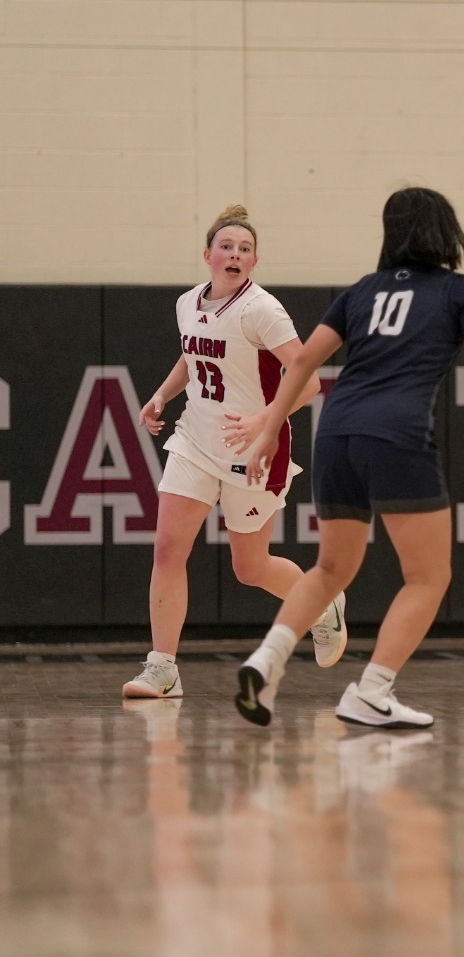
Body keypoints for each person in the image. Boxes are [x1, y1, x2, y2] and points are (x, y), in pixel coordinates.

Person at [226, 188, 464, 729]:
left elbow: (305, 359)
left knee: (331, 568)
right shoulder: (459, 292)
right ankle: (371, 690)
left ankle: (265, 664)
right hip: (397, 434)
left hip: (335, 433)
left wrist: (268, 429)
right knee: (427, 577)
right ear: (447, 230)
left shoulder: (360, 292)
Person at [122, 205, 346, 700]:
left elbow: (309, 380)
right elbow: (193, 353)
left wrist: (267, 419)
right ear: (208, 255)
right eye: (227, 246)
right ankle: (163, 668)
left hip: (257, 448)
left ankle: (323, 603)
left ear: (253, 262)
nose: (235, 254)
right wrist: (162, 394)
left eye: (245, 249)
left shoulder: (262, 309)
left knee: (251, 568)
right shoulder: (188, 303)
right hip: (195, 442)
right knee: (167, 549)